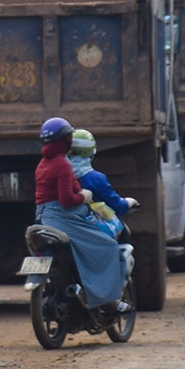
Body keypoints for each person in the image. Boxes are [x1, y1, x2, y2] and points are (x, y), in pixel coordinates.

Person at [34, 117, 130, 314]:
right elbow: (67, 200)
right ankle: (108, 300)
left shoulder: (43, 164)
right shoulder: (61, 164)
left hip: (44, 217)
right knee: (108, 246)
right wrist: (84, 197)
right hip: (64, 218)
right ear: (65, 141)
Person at [68, 129, 138, 238]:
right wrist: (129, 202)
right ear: (91, 153)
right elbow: (117, 206)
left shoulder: (58, 175)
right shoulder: (96, 179)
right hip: (88, 232)